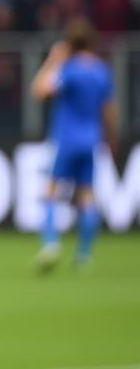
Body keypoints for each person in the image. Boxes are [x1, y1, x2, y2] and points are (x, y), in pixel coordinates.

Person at [30, 18, 117, 271]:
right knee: (87, 196)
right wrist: (111, 136)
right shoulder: (102, 70)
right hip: (91, 139)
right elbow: (109, 109)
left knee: (50, 192)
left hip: (66, 139)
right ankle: (84, 255)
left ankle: (51, 244)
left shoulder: (69, 68)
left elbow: (39, 90)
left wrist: (53, 60)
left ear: (69, 43)